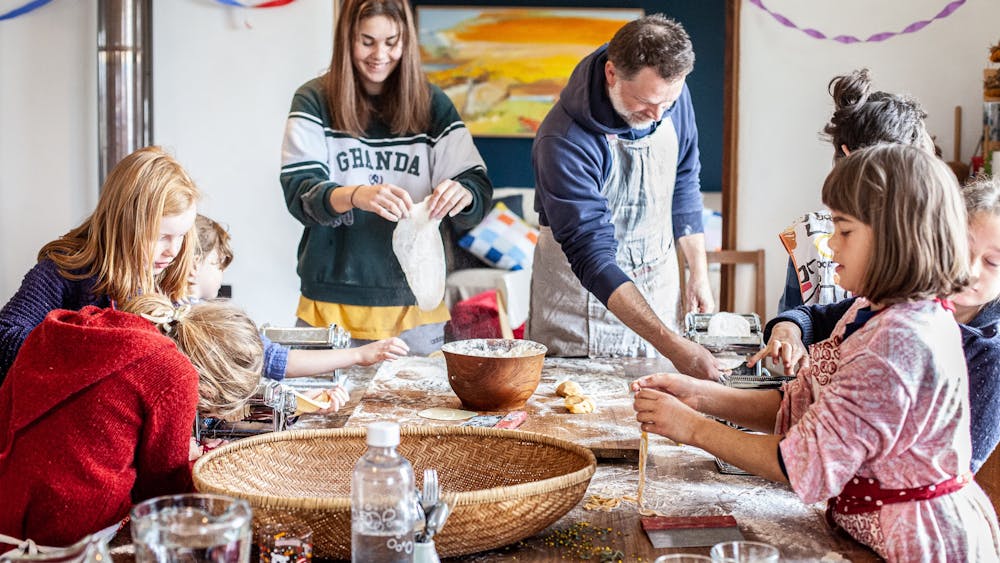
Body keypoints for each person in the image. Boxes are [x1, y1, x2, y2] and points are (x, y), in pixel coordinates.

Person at [633, 145, 1000, 561]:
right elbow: (804, 406)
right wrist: (699, 395)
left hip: (921, 544)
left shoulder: (899, 344)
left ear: (893, 238)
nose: (829, 244)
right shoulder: (872, 310)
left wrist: (693, 428)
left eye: (844, 231)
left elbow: (803, 464)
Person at [279, 0, 492, 356]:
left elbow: (477, 187)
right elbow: (299, 192)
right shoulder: (313, 99)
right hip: (330, 299)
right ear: (346, 38)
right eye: (367, 41)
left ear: (406, 41)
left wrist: (462, 193)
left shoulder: (431, 103)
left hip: (414, 302)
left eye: (392, 42)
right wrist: (356, 195)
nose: (380, 54)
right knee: (321, 411)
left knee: (419, 410)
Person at [759, 175, 1000, 473]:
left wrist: (696, 426)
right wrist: (788, 329)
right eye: (963, 249)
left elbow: (956, 468)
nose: (970, 270)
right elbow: (814, 317)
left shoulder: (989, 352)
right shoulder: (900, 302)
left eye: (993, 263)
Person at [527, 14, 720, 380]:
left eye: (670, 101)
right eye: (645, 102)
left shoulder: (666, 94)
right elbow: (593, 258)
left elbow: (684, 181)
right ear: (612, 74)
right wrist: (673, 345)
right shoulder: (563, 140)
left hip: (657, 298)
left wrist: (697, 273)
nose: (658, 115)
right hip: (579, 319)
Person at [0, 294, 262, 550]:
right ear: (211, 387)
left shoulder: (90, 323)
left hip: (8, 512)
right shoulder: (174, 373)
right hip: (66, 537)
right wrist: (195, 460)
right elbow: (161, 496)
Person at [0, 146, 199, 381]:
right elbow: (5, 336)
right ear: (124, 223)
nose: (173, 251)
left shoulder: (167, 277)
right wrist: (94, 352)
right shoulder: (65, 272)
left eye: (182, 235)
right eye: (160, 237)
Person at [189, 215, 408, 394]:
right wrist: (358, 355)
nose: (222, 272)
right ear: (194, 266)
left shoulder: (171, 311)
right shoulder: (211, 321)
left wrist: (302, 404)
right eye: (217, 263)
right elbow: (277, 362)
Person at [777, 68, 933, 313]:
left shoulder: (935, 240)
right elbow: (792, 324)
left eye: (847, 231)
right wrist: (790, 327)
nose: (834, 244)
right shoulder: (811, 237)